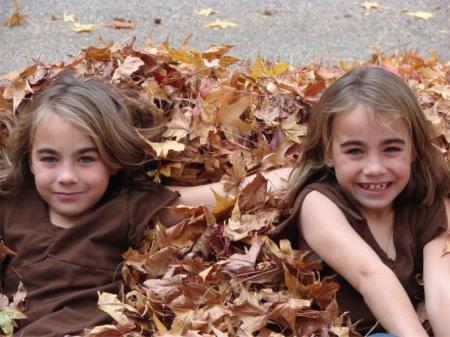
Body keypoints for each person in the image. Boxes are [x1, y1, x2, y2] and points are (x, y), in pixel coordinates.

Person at [0, 71, 290, 337]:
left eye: (86, 159)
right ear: (29, 159)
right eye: (49, 158)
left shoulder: (127, 207)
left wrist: (299, 173)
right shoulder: (12, 202)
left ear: (113, 161)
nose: (66, 177)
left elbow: (226, 193)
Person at [273, 66, 450, 336]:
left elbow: (442, 291)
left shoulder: (427, 204)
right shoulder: (320, 204)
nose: (374, 168)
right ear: (329, 153)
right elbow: (370, 275)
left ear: (413, 149)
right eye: (355, 151)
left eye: (391, 149)